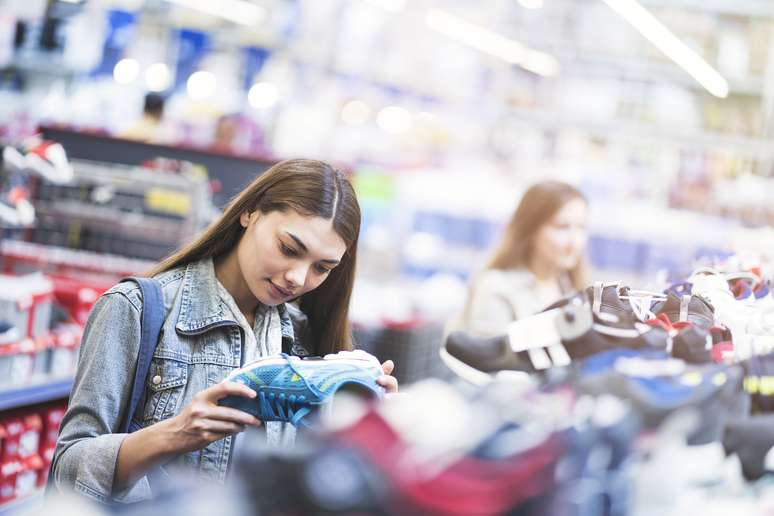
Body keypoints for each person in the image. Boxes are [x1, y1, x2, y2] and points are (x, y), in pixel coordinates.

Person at [51, 159, 399, 503]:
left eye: (322, 268)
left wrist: (369, 425)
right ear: (250, 212)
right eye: (289, 249)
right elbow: (68, 467)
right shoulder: (135, 308)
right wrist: (173, 434)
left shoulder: (305, 339)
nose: (298, 278)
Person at [452, 180, 589, 337]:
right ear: (531, 229)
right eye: (562, 227)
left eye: (581, 227)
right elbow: (489, 358)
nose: (575, 242)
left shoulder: (570, 288)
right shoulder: (496, 287)